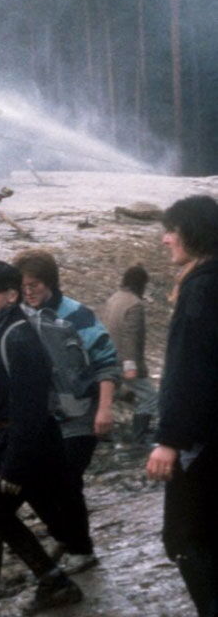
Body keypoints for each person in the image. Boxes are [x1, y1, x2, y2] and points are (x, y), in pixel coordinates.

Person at [0, 261, 83, 617]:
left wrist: (14, 466)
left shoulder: (20, 337)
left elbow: (31, 410)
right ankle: (48, 582)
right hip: (2, 439)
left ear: (11, 295)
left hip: (21, 443)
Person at [14, 248, 119, 573]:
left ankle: (81, 550)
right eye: (23, 286)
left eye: (35, 285)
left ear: (51, 282)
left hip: (80, 414)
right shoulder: (20, 316)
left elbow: (106, 363)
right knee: (37, 481)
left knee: (67, 481)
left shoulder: (77, 315)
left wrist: (104, 410)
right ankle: (65, 534)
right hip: (43, 418)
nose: (29, 292)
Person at [146, 195, 218, 617]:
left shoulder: (203, 288)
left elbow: (191, 370)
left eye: (171, 230)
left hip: (202, 442)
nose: (165, 240)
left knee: (186, 539)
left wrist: (169, 439)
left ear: (193, 233)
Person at [101, 265, 157, 445]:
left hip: (108, 357)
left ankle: (103, 431)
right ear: (141, 284)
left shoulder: (114, 298)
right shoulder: (135, 304)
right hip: (123, 361)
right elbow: (130, 336)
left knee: (114, 394)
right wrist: (131, 366)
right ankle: (139, 438)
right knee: (150, 398)